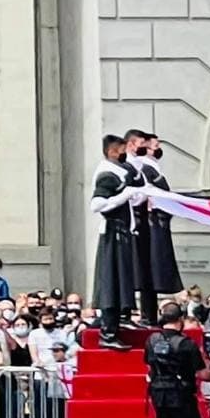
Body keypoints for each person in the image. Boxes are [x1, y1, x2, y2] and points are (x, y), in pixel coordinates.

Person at [90, 134, 142, 350]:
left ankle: (121, 318)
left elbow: (139, 186)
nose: (126, 154)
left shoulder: (122, 173)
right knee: (111, 282)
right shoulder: (107, 175)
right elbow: (97, 204)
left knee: (121, 281)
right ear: (113, 151)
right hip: (113, 233)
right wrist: (123, 195)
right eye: (122, 149)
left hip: (123, 234)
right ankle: (108, 332)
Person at [136, 133, 184, 302]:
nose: (159, 150)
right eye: (156, 147)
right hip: (152, 221)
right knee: (152, 267)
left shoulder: (153, 168)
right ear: (147, 149)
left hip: (157, 219)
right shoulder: (145, 169)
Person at [124, 129, 159, 326]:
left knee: (147, 269)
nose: (144, 149)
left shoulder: (143, 166)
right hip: (130, 221)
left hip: (144, 222)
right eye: (141, 145)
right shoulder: (126, 167)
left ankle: (149, 315)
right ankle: (127, 313)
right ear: (131, 144)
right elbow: (136, 195)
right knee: (130, 269)